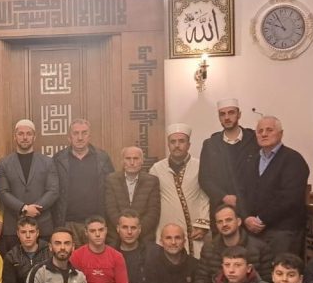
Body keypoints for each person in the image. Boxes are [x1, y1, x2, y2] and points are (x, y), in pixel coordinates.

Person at [238, 115, 310, 257]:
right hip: (252, 230)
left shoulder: (293, 160)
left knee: (281, 269)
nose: (264, 134)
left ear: (281, 134)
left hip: (283, 232)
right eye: (260, 131)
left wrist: (261, 220)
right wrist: (246, 218)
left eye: (269, 130)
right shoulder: (251, 160)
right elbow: (241, 192)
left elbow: (290, 197)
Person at [0, 119, 60, 251]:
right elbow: (3, 192)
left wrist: (35, 209)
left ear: (34, 137)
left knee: (44, 262)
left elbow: (53, 191)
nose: (25, 137)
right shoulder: (3, 163)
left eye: (28, 134)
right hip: (13, 226)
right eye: (20, 134)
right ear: (15, 137)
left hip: (42, 224)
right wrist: (24, 208)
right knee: (14, 262)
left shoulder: (48, 162)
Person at [149, 124, 209, 258]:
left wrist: (203, 224)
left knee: (194, 264)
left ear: (189, 144)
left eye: (181, 141)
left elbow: (206, 196)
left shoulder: (200, 166)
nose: (177, 145)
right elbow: (151, 201)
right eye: (173, 142)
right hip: (165, 228)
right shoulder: (156, 169)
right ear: (168, 145)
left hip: (194, 230)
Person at [54, 119, 115, 245]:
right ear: (69, 137)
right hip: (68, 222)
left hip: (96, 223)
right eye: (76, 133)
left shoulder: (102, 158)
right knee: (70, 257)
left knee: (95, 256)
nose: (80, 137)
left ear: (89, 136)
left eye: (84, 133)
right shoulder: (59, 159)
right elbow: (53, 190)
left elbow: (111, 189)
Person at [197, 98, 258, 223]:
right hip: (221, 211)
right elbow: (204, 178)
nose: (227, 117)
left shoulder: (254, 140)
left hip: (250, 210)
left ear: (239, 114)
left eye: (231, 113)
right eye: (222, 114)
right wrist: (223, 197)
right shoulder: (210, 144)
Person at [196, 204, 273, 283]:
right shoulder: (209, 248)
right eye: (220, 221)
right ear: (216, 225)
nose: (224, 224)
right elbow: (201, 280)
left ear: (239, 221)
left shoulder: (260, 247)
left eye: (228, 220)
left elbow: (267, 281)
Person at [104, 146, 160, 245]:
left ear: (142, 161)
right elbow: (110, 209)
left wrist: (136, 231)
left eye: (136, 158)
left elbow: (153, 212)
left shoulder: (152, 181)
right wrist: (124, 230)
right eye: (128, 158)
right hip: (116, 238)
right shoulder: (111, 180)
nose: (132, 162)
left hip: (144, 237)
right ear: (122, 161)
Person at [113, 210, 147, 283]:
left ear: (139, 229)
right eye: (124, 227)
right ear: (118, 228)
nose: (129, 232)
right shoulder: (108, 252)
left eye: (133, 228)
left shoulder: (151, 253)